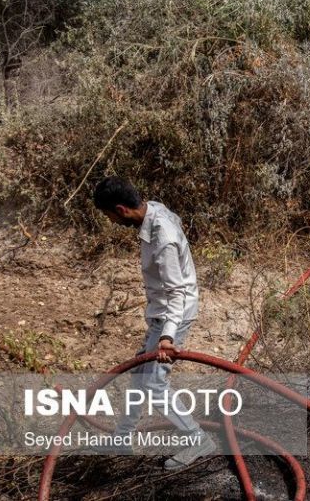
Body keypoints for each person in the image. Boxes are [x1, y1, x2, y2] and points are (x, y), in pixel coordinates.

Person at [92, 177, 217, 468]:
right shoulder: (153, 211)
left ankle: (198, 440)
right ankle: (121, 438)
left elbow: (177, 291)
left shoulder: (164, 237)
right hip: (161, 315)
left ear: (121, 209)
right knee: (139, 377)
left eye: (108, 215)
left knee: (155, 385)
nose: (110, 221)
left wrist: (167, 337)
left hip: (175, 316)